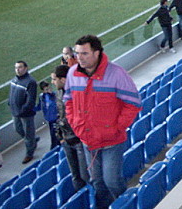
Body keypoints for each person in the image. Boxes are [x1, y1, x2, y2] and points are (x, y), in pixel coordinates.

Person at [65, 35, 141, 209]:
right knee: (96, 182)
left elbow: (133, 103)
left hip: (112, 141)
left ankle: (125, 205)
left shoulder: (116, 74)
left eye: (84, 53)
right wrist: (76, 125)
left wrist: (116, 127)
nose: (79, 58)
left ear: (97, 53)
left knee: (112, 181)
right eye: (77, 53)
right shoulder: (72, 73)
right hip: (88, 142)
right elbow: (68, 101)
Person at [52, 64, 89, 192]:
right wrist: (60, 137)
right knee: (75, 176)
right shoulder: (58, 94)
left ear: (62, 79)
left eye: (54, 79)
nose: (52, 82)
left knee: (86, 175)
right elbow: (60, 115)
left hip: (80, 141)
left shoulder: (78, 92)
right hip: (67, 140)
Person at [8, 60, 38, 164]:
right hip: (15, 112)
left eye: (20, 67)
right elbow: (11, 94)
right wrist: (10, 104)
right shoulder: (14, 80)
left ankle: (29, 153)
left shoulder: (30, 82)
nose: (18, 70)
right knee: (18, 129)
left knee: (28, 134)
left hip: (25, 114)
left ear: (26, 68)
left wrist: (23, 110)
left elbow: (31, 100)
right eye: (16, 68)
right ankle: (33, 141)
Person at [35, 81, 59, 150]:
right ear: (43, 91)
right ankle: (55, 147)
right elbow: (39, 107)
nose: (49, 90)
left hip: (56, 117)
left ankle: (54, 148)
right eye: (46, 89)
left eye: (49, 88)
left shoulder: (54, 95)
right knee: (53, 134)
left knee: (55, 134)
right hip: (49, 119)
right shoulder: (42, 97)